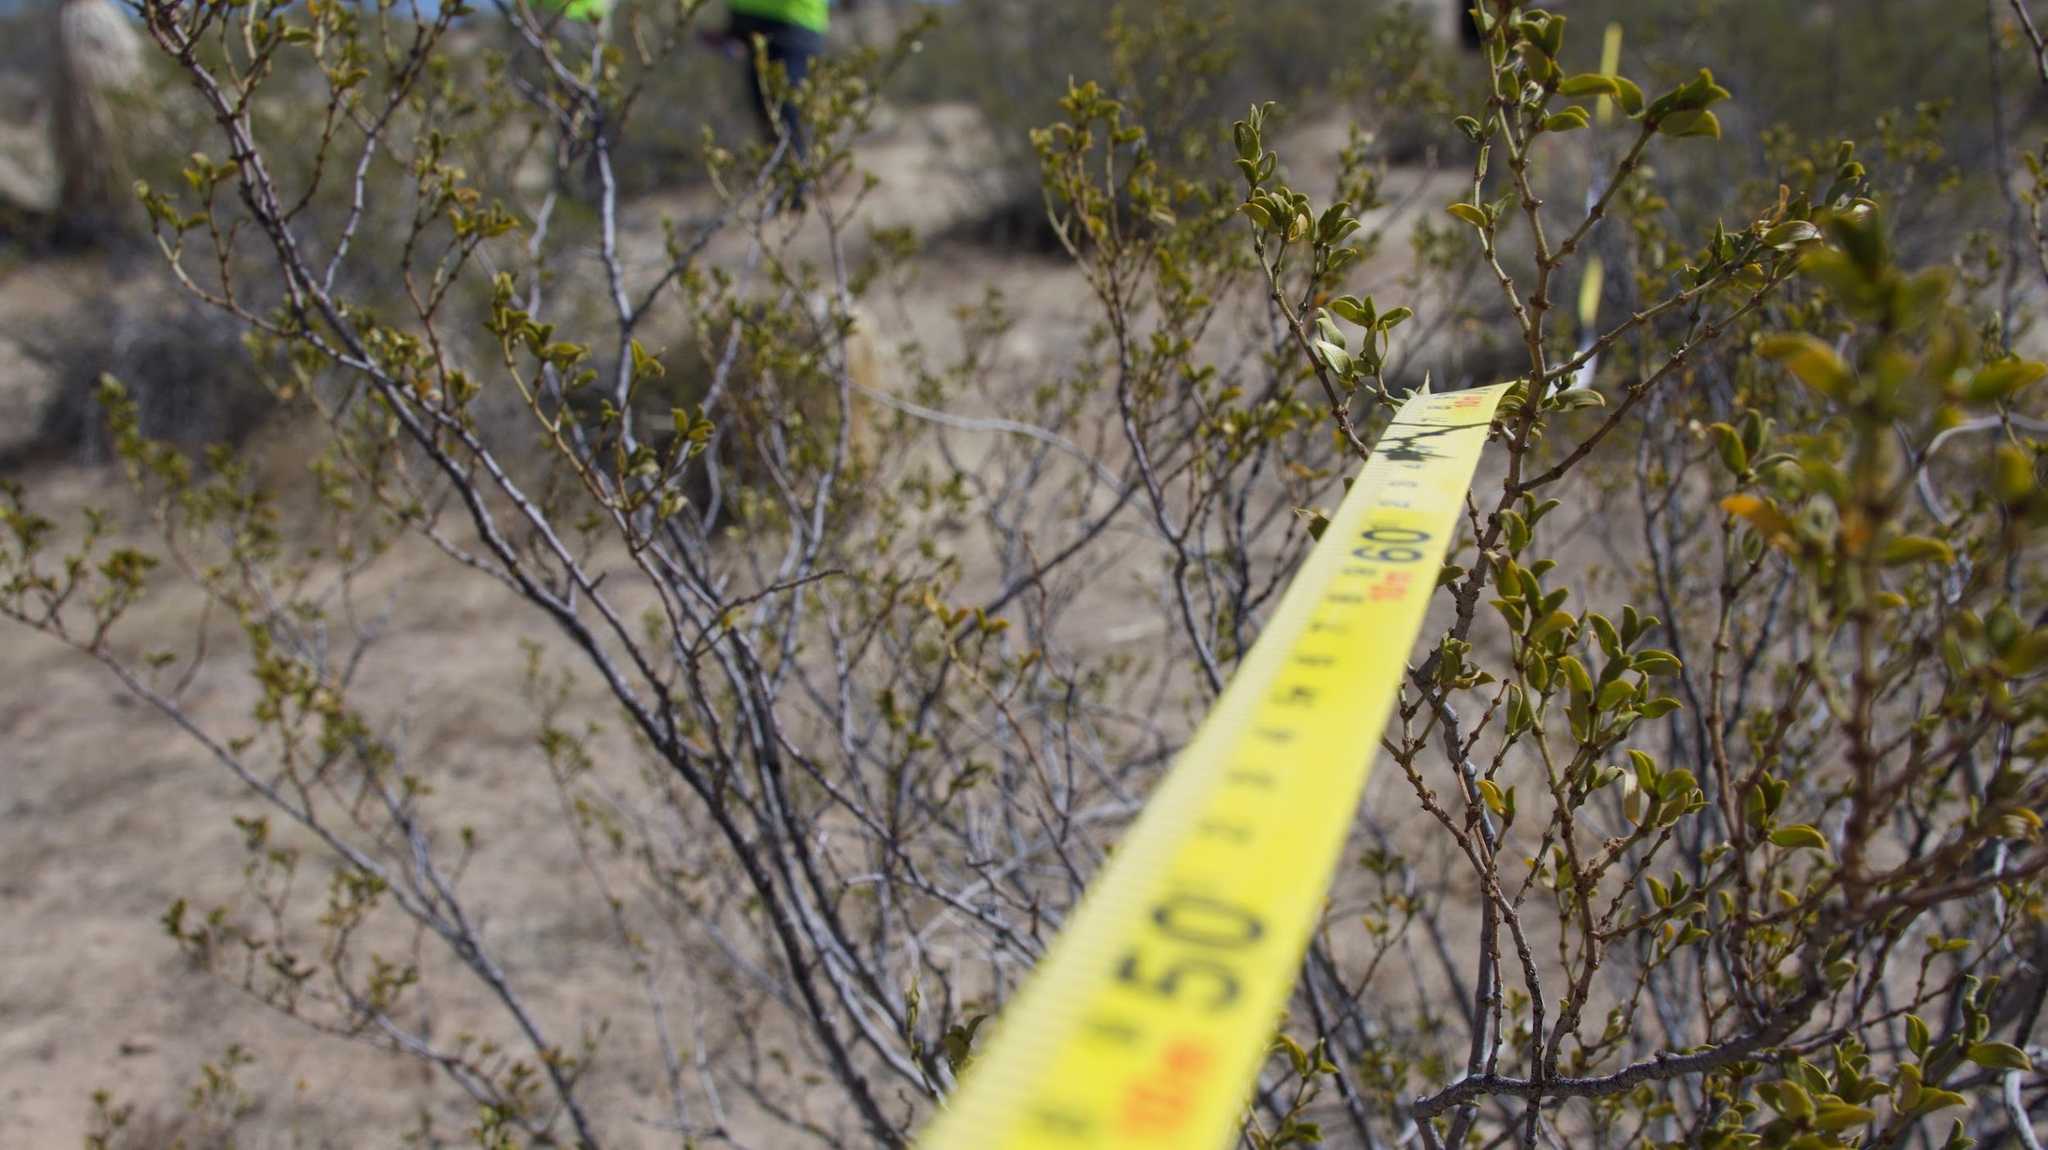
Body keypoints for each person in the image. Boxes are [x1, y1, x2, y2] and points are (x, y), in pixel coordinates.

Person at [712, 0, 851, 164]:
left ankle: (797, 181)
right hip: (749, 25)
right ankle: (780, 179)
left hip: (796, 25)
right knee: (768, 120)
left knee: (788, 122)